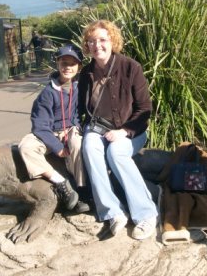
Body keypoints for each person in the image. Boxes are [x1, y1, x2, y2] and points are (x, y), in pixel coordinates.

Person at [78, 20, 158, 240]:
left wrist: (124, 131)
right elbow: (80, 111)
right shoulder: (86, 74)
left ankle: (146, 214)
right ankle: (113, 212)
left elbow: (144, 109)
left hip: (132, 131)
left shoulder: (131, 67)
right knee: (89, 144)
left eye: (102, 40)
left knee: (116, 152)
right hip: (99, 130)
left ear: (112, 41)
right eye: (91, 41)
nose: (97, 45)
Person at [18, 44, 89, 213]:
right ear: (58, 64)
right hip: (49, 132)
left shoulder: (81, 87)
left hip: (70, 129)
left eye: (72, 64)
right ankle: (60, 183)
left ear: (79, 67)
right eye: (64, 63)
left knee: (77, 143)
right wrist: (57, 147)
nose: (68, 67)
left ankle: (82, 190)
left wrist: (74, 128)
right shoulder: (48, 93)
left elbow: (84, 114)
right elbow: (40, 125)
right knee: (25, 147)